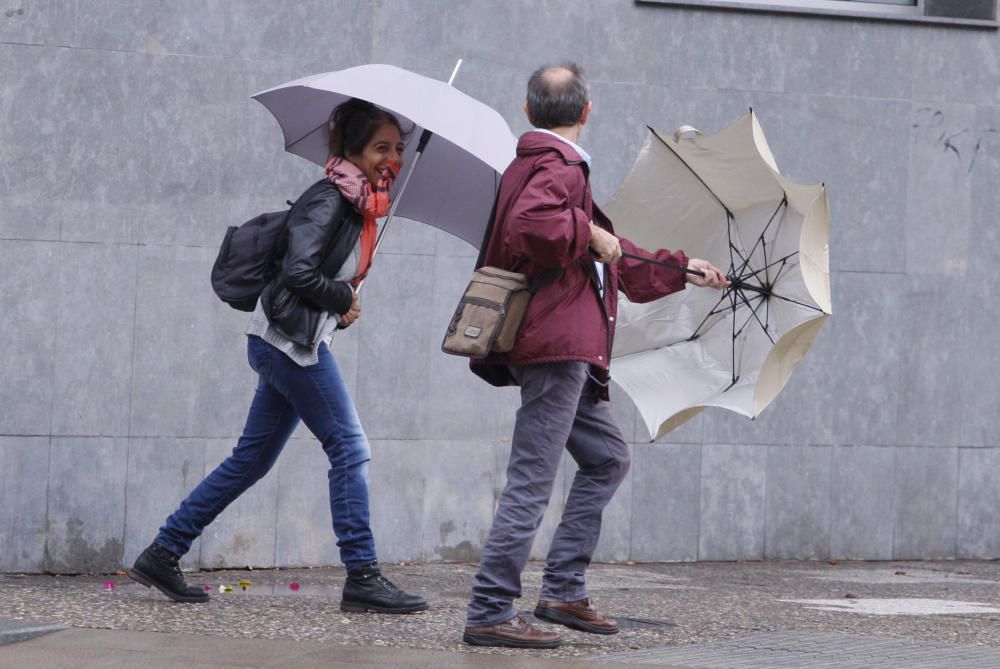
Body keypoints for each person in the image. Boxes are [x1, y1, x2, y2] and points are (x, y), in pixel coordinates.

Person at [462, 64, 729, 649]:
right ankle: (488, 608)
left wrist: (681, 266)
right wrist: (587, 231)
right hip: (557, 344)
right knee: (533, 476)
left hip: (564, 342)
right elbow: (540, 226)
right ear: (587, 111)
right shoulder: (557, 164)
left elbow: (599, 251)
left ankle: (561, 590)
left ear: (528, 110)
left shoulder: (536, 163)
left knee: (607, 458)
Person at [128, 98, 428, 615]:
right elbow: (298, 273)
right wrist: (343, 300)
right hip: (290, 346)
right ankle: (362, 575)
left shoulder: (360, 204)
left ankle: (162, 553)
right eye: (382, 148)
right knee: (350, 450)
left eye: (398, 149)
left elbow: (322, 274)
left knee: (251, 460)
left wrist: (341, 300)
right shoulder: (330, 199)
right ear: (352, 149)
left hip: (289, 341)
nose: (392, 159)